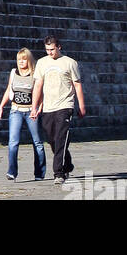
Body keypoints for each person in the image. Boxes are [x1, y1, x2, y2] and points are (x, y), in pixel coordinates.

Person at [31, 33, 85, 184]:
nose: (50, 52)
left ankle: (58, 173)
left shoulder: (70, 63)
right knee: (53, 140)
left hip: (65, 105)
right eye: (47, 50)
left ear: (59, 47)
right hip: (48, 106)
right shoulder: (41, 63)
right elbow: (38, 86)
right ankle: (67, 164)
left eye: (52, 49)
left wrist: (81, 105)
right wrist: (34, 107)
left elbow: (77, 85)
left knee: (61, 137)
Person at [0, 47, 46, 181]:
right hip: (16, 110)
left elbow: (40, 93)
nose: (21, 62)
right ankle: (12, 171)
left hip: (31, 111)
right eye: (19, 60)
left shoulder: (35, 74)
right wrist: (1, 106)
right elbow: (8, 89)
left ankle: (40, 173)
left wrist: (39, 108)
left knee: (37, 143)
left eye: (24, 59)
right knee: (13, 142)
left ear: (29, 60)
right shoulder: (13, 72)